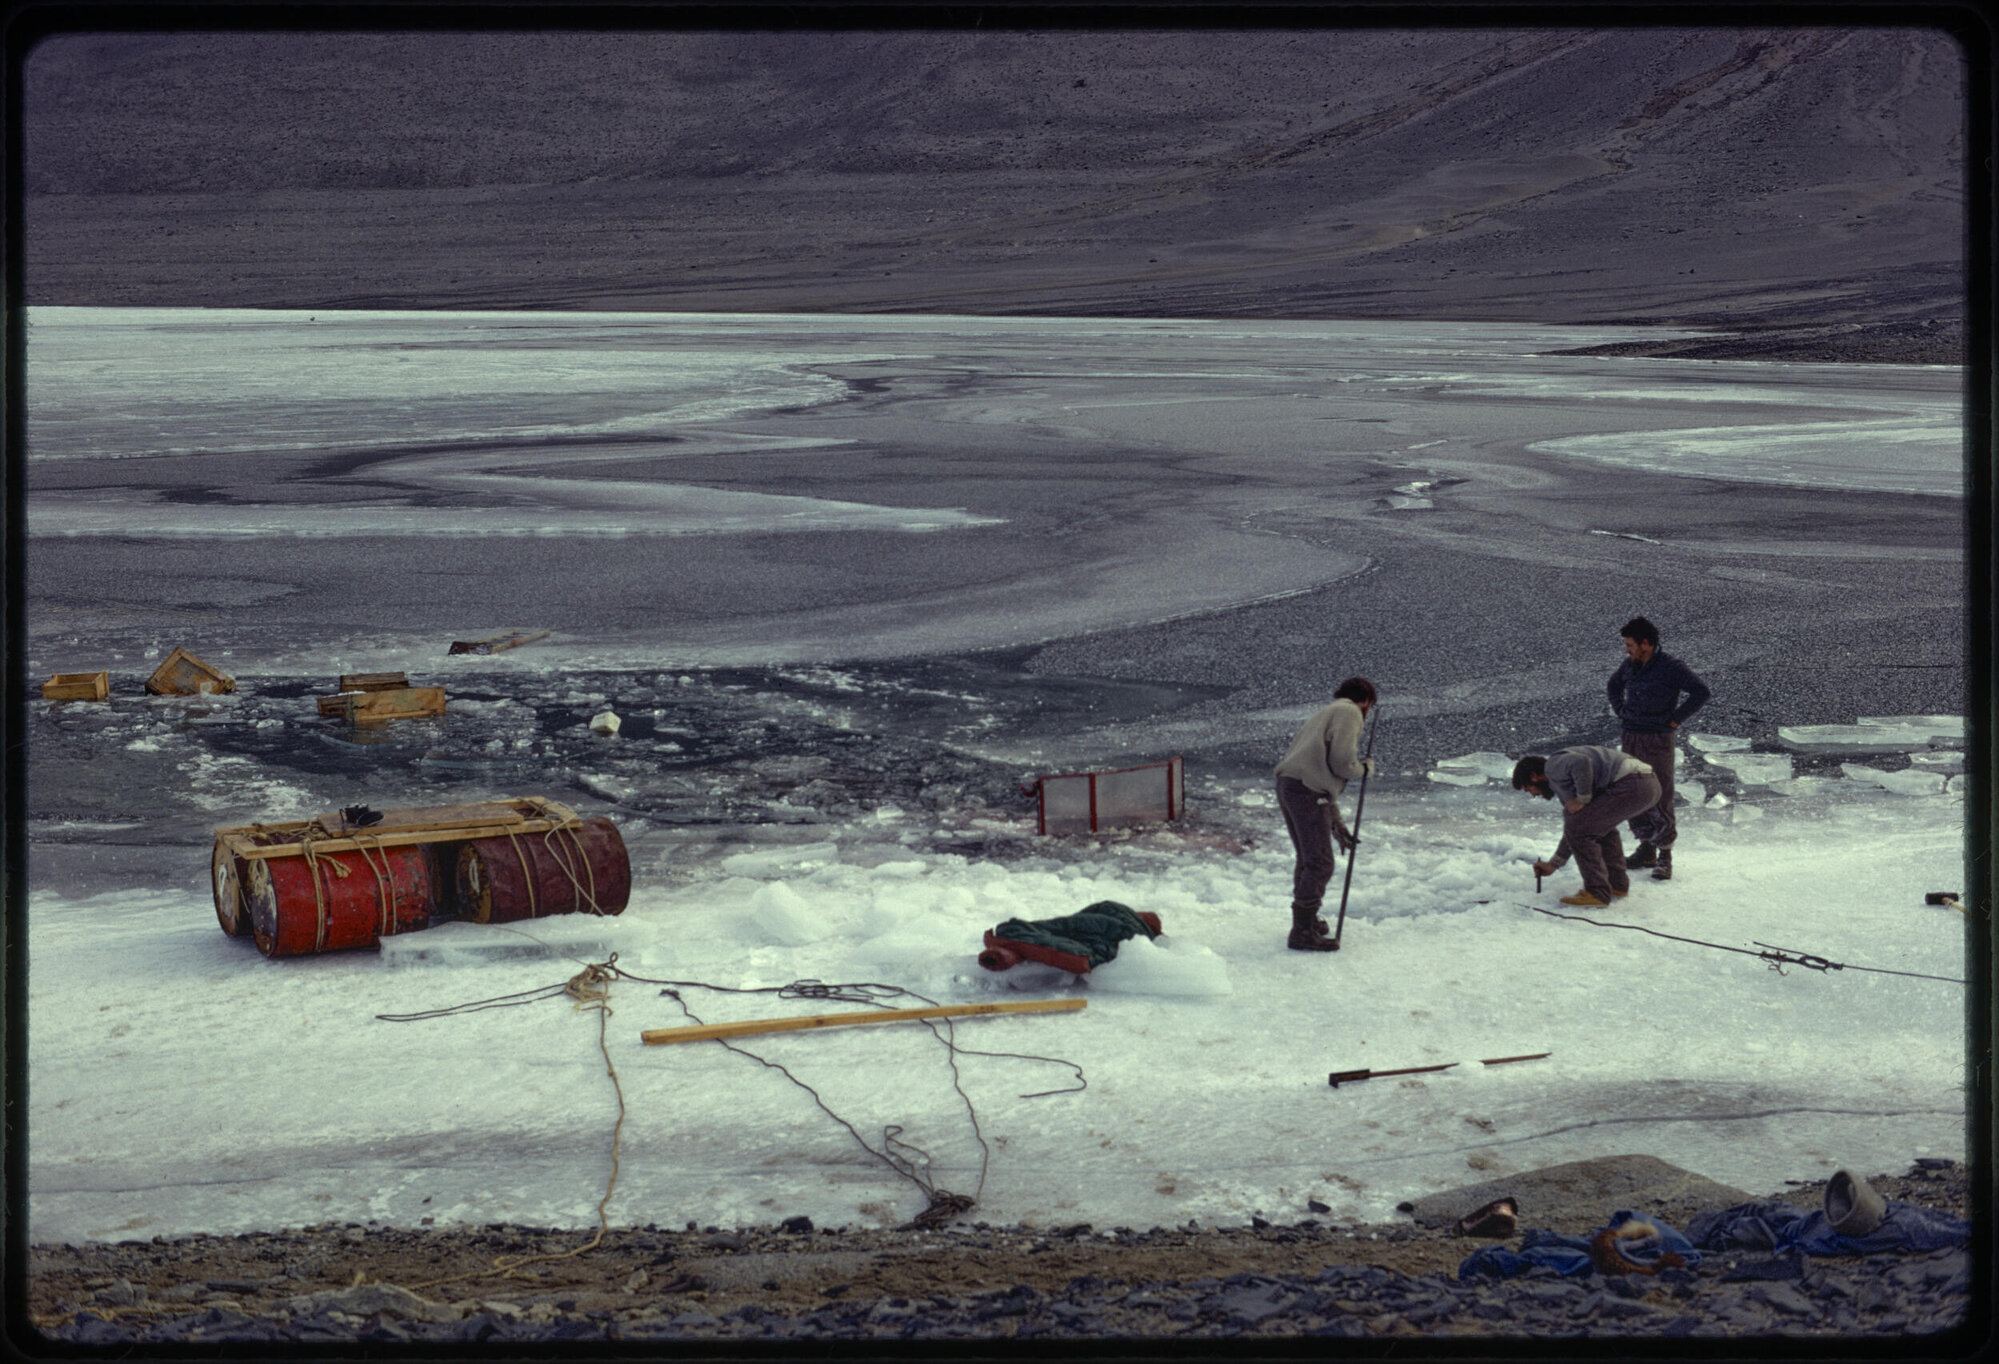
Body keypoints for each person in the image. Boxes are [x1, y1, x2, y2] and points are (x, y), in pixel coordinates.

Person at [1273, 677, 1378, 952]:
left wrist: (1336, 824)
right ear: (1366, 700)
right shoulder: (1349, 711)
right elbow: (1342, 764)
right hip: (1305, 791)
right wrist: (1364, 769)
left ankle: (1307, 921)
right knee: (1320, 864)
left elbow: (1319, 776)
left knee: (1309, 860)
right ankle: (1302, 930)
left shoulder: (1326, 712)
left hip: (1291, 786)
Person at [1606, 616, 1710, 881]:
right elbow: (1613, 685)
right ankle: (1645, 847)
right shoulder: (1631, 664)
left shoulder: (1671, 667)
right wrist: (1621, 710)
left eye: (1630, 644)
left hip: (1657, 739)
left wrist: (1675, 719)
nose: (1626, 649)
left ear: (1646, 643)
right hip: (1631, 736)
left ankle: (1665, 854)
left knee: (1659, 792)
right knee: (1633, 791)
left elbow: (1701, 692)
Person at [1513, 747, 1661, 907]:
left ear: (1534, 776)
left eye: (1528, 789)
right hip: (1648, 785)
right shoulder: (1566, 784)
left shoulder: (1553, 766)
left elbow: (1580, 762)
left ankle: (1596, 893)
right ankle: (1616, 885)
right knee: (1597, 828)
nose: (1534, 795)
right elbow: (1574, 827)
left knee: (1583, 828)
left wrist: (1583, 799)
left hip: (1632, 783)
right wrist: (1553, 864)